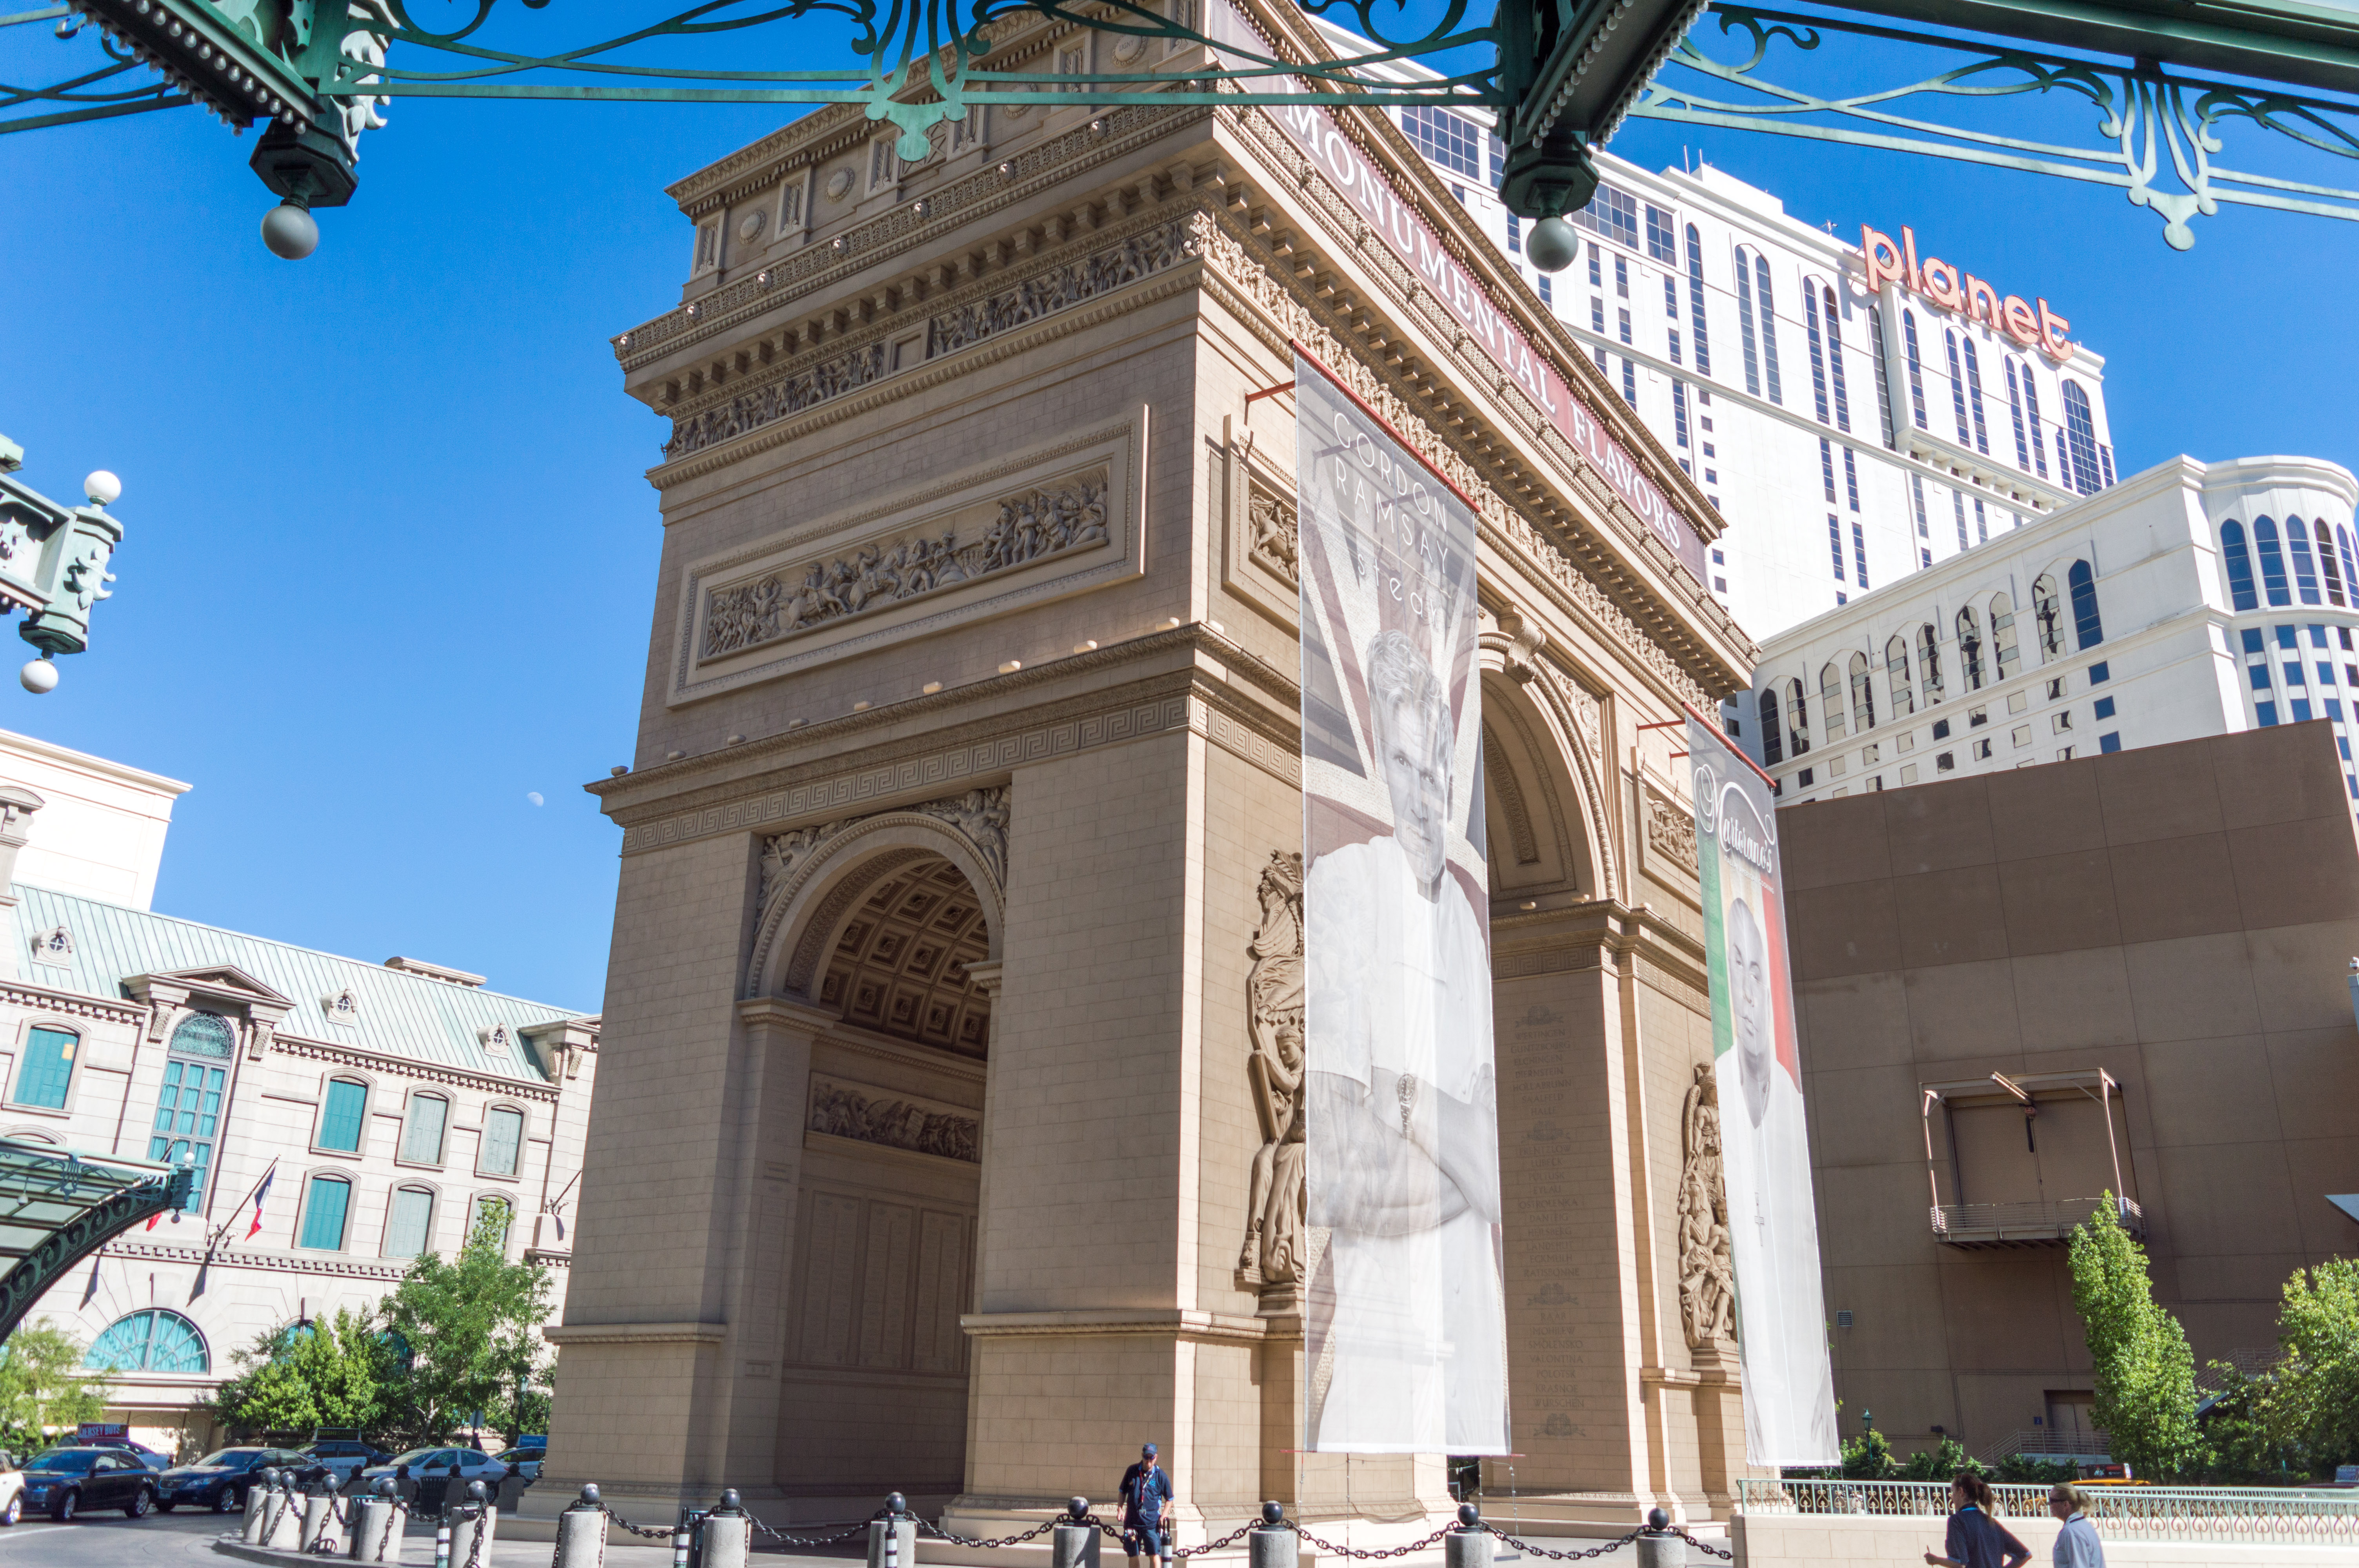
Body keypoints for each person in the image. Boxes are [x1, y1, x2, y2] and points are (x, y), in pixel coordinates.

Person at [1303, 627, 1506, 1454]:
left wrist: (1402, 1096)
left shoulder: (1464, 917)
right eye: (1406, 768)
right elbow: (1341, 1168)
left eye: (1437, 773)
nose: (1423, 796)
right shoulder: (1345, 883)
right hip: (1378, 1335)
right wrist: (1462, 1142)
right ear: (1381, 769)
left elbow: (1498, 1170)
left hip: (1480, 1337)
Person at [1923, 1471, 2030, 1568]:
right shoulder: (1992, 1523)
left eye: (1953, 1492)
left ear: (1961, 1492)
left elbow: (1959, 1563)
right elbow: (2025, 1555)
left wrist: (1935, 1560)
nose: (1952, 1497)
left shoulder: (1957, 1521)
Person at [1118, 1443, 1174, 1568]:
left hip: (1151, 1524)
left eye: (1151, 1458)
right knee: (1133, 1554)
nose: (1149, 1461)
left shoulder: (1161, 1476)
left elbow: (1170, 1499)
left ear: (1156, 1458)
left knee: (1154, 1554)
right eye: (1146, 1457)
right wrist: (1120, 1509)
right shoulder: (1132, 1471)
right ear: (1142, 1456)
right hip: (1132, 1522)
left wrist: (1164, 1516)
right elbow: (1122, 1492)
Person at [2048, 1482, 2105, 1568]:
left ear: (2066, 1504)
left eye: (2052, 1501)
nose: (2049, 1505)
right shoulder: (2083, 1525)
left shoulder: (2072, 1531)